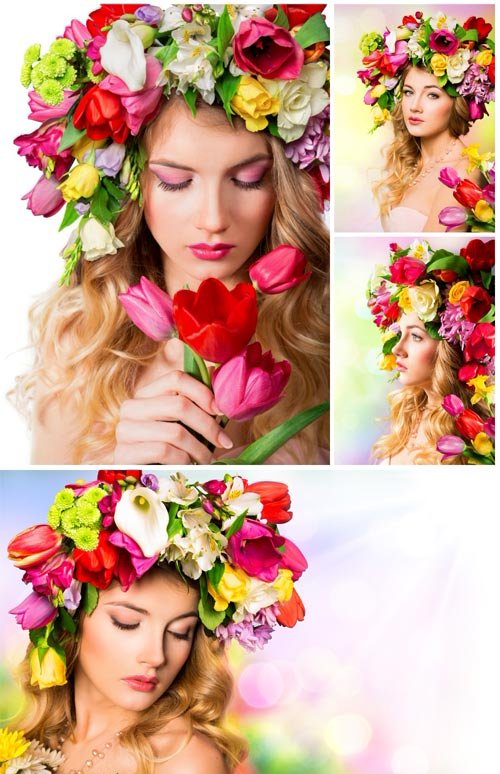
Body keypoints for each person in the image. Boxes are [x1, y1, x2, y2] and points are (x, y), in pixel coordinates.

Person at [13, 3, 330, 464]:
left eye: (247, 179)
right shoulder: (80, 339)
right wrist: (122, 472)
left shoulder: (324, 334)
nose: (214, 218)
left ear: (281, 185)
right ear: (131, 186)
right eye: (177, 182)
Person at [7, 469, 308, 774]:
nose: (156, 656)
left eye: (180, 632)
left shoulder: (185, 761)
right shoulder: (24, 742)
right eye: (127, 623)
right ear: (71, 617)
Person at [357, 11, 494, 231]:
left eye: (432, 95)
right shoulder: (412, 161)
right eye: (409, 92)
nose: (415, 106)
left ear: (457, 103)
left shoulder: (461, 175)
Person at [366, 238, 495, 464]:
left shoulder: (478, 435)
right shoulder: (407, 417)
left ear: (450, 347)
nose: (397, 348)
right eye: (400, 334)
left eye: (415, 336)